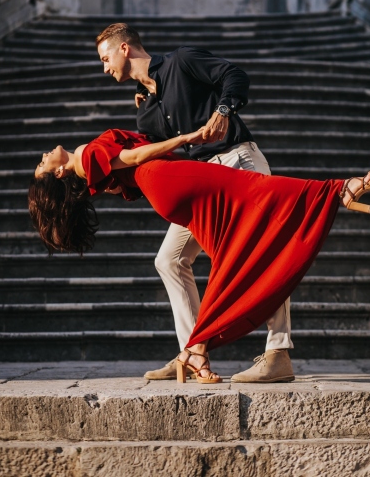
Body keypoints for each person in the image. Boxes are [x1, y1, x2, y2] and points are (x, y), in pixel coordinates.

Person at [29, 128, 370, 384]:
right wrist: (186, 138)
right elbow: (136, 156)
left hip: (164, 188)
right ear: (59, 173)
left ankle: (195, 351)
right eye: (43, 165)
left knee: (226, 251)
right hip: (169, 177)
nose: (43, 156)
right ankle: (341, 188)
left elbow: (131, 158)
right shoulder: (88, 156)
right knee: (256, 191)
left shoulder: (90, 169)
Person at [95, 22, 295, 384]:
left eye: (106, 58)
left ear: (125, 49)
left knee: (263, 251)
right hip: (204, 183)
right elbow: (163, 161)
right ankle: (191, 350)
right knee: (169, 260)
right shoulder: (146, 112)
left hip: (238, 159)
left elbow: (235, 75)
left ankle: (278, 352)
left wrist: (223, 109)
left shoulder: (181, 61)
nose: (105, 67)